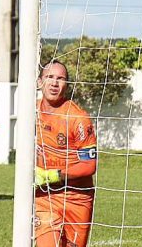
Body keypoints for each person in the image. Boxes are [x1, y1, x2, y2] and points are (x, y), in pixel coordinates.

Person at [34, 61, 97, 247]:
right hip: (45, 197)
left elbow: (89, 165)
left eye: (60, 79)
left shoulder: (78, 118)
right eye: (49, 77)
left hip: (77, 198)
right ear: (39, 82)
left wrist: (53, 175)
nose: (54, 83)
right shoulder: (30, 112)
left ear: (66, 85)